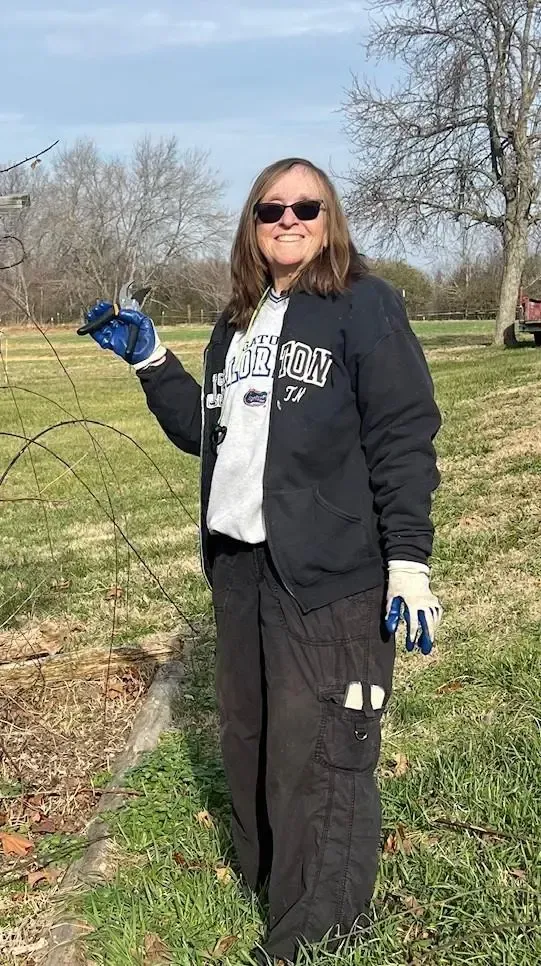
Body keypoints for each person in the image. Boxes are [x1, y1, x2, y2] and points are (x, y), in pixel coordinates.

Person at [81, 157, 442, 964]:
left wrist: (408, 561)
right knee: (250, 737)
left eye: (305, 208)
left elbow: (402, 436)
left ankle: (313, 937)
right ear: (251, 224)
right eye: (270, 209)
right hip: (242, 567)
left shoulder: (364, 307)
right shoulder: (237, 320)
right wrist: (151, 364)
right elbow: (204, 434)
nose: (288, 220)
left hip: (330, 576)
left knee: (319, 754)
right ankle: (271, 887)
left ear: (329, 219)